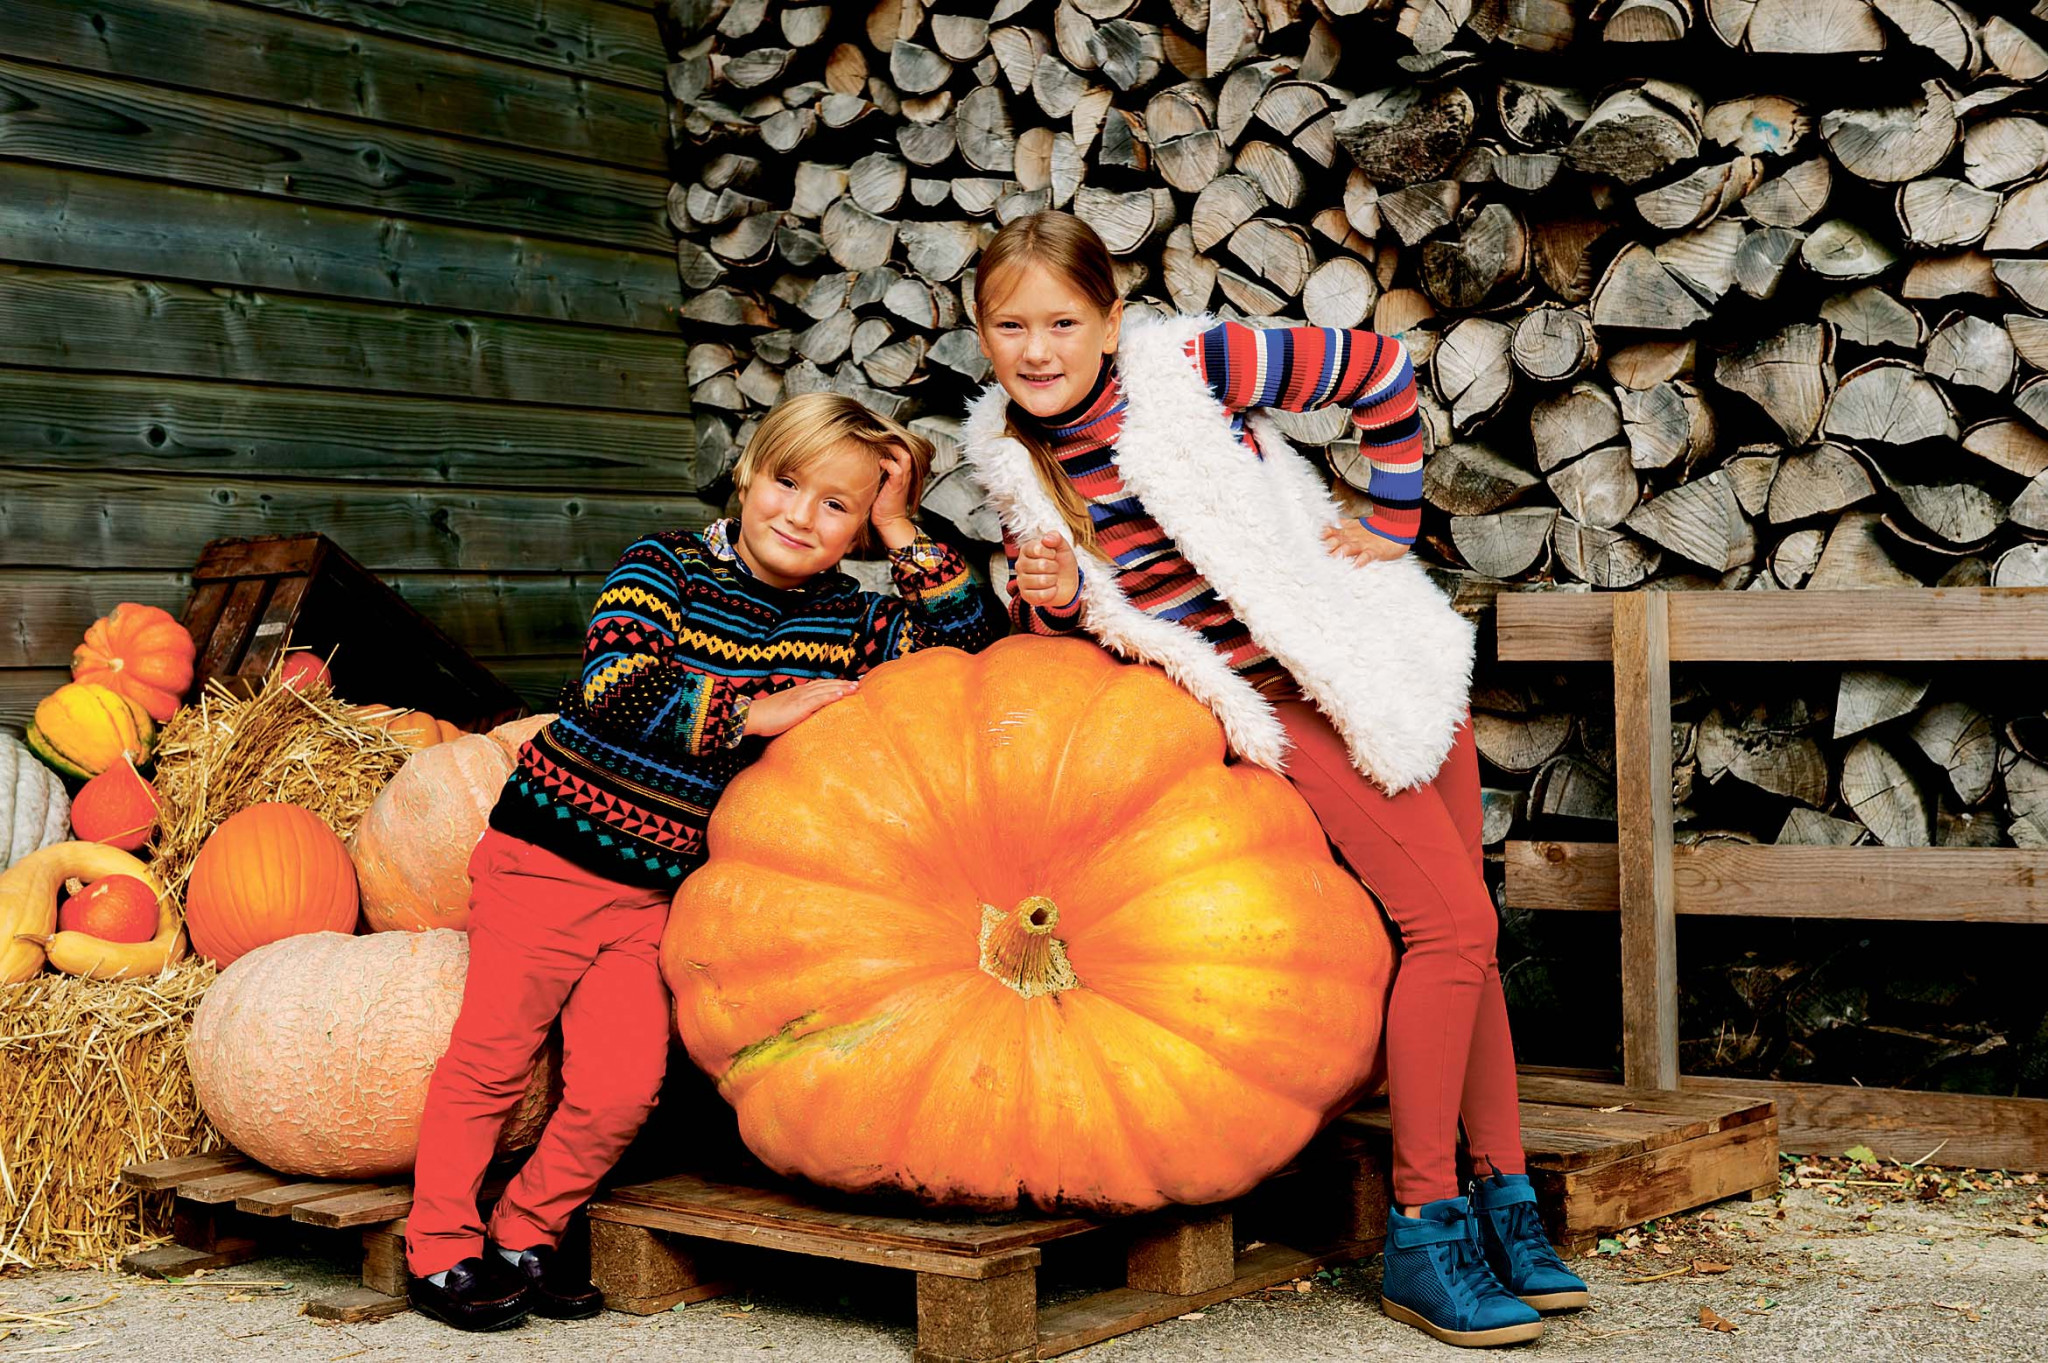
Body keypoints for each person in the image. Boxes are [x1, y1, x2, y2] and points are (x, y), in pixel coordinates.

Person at [961, 211, 1587, 1349]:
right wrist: (1051, 594)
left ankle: (1503, 1199)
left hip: (1371, 649)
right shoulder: (1013, 460)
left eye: (1062, 321)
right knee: (1449, 931)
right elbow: (1083, 629)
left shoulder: (1195, 363)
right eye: (1011, 327)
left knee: (1465, 933)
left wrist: (1392, 513)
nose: (1037, 349)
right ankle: (1425, 1226)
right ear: (980, 332)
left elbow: (1376, 368)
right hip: (1286, 704)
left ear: (1111, 319)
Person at [403, 392, 1001, 1331]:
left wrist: (902, 528)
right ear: (748, 474)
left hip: (659, 896)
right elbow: (614, 683)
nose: (801, 515)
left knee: (621, 1089)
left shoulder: (851, 618)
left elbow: (974, 649)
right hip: (549, 859)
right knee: (492, 1062)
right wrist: (761, 711)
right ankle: (439, 1246)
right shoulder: (666, 564)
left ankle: (526, 1231)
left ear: (857, 529)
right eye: (787, 483)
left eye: (838, 505)